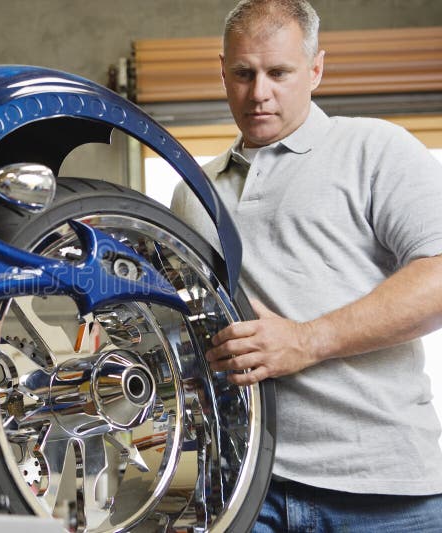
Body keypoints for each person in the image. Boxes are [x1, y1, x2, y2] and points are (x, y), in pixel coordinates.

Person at [170, 0, 442, 530]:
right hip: (247, 489)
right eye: (244, 74)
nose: (259, 93)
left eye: (279, 73)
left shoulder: (374, 149)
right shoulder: (192, 194)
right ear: (221, 71)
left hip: (385, 494)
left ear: (316, 69)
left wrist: (306, 339)